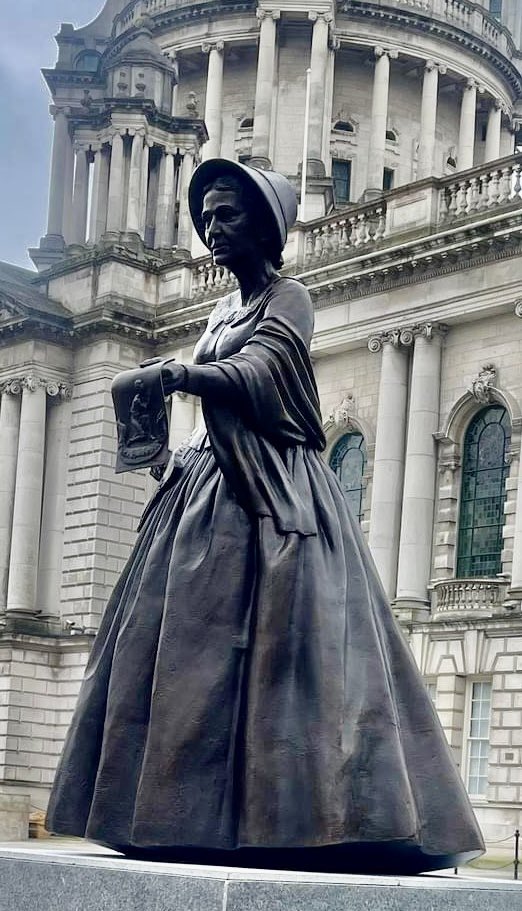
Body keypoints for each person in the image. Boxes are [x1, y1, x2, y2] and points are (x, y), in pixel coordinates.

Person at [46, 159, 484, 874]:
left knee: (289, 655)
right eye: (207, 217)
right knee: (177, 654)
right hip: (207, 487)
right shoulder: (219, 310)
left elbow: (266, 372)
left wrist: (181, 375)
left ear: (267, 224)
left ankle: (306, 816)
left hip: (276, 494)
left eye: (229, 215)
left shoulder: (292, 297)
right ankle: (166, 809)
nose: (213, 230)